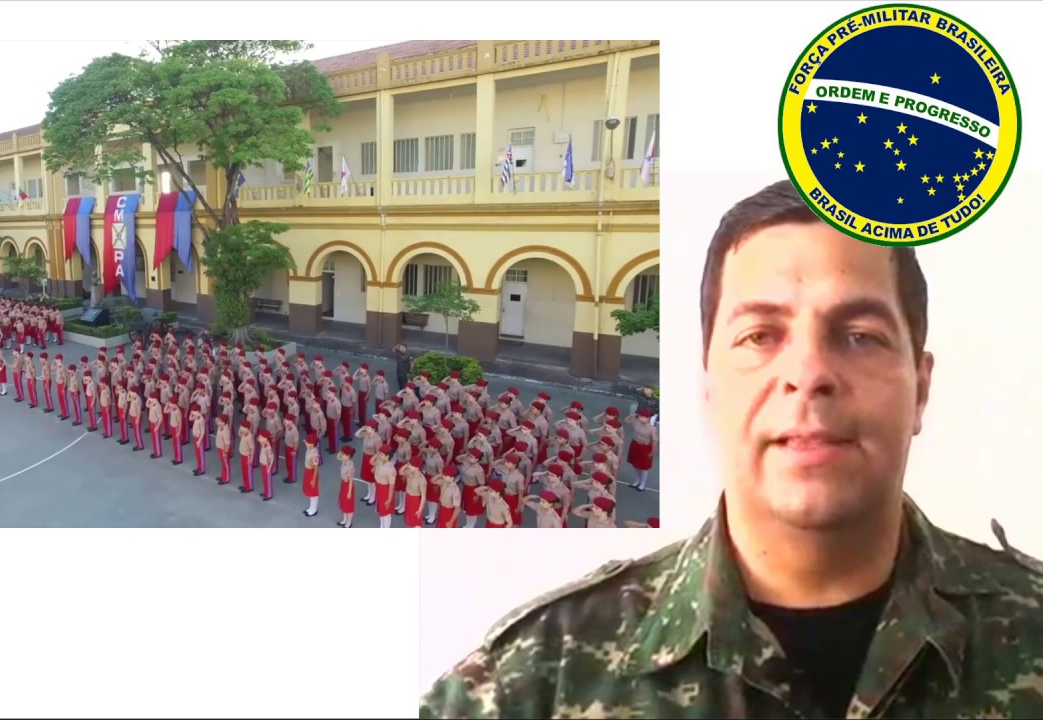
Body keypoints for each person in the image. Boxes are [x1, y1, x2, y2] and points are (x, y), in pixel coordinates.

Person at [419, 180, 1043, 718]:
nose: (809, 372)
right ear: (709, 384)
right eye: (760, 335)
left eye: (859, 335)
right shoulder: (533, 685)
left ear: (921, 389)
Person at [336, 445, 356, 528]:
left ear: (348, 456)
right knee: (344, 503)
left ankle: (349, 522)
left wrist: (349, 492)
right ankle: (344, 519)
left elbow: (351, 480)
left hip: (348, 486)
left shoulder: (350, 466)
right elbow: (338, 457)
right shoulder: (344, 461)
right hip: (343, 484)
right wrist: (341, 452)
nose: (341, 455)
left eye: (343, 454)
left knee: (349, 505)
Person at [301, 432, 320, 517]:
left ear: (312, 444)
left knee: (313, 492)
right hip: (308, 471)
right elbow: (305, 442)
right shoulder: (309, 448)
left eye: (308, 442)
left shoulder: (315, 454)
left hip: (312, 472)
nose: (306, 443)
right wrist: (305, 441)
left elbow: (316, 469)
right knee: (309, 491)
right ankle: (311, 507)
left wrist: (313, 479)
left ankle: (314, 509)